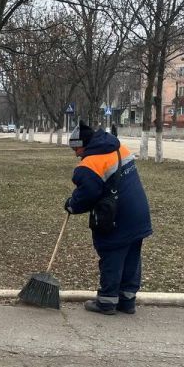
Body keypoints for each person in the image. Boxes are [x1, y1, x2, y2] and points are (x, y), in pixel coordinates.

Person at [64, 121, 152, 315]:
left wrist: (71, 204)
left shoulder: (89, 165)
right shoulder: (119, 147)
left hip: (116, 218)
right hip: (139, 213)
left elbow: (87, 194)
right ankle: (127, 301)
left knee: (112, 256)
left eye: (76, 148)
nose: (76, 153)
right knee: (131, 257)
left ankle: (107, 302)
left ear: (85, 144)